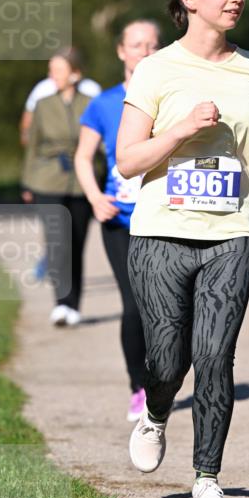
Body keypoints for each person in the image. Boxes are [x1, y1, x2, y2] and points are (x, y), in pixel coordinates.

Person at [117, 0, 249, 498]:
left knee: (215, 356)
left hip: (232, 230)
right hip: (161, 231)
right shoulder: (156, 70)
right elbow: (126, 160)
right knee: (167, 361)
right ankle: (156, 413)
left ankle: (209, 482)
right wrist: (182, 128)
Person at [75, 21, 162, 422]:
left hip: (163, 217)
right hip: (120, 220)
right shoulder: (104, 104)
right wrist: (95, 198)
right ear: (121, 51)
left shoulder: (171, 98)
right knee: (133, 304)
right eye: (136, 44)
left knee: (166, 307)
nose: (144, 50)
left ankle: (164, 376)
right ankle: (138, 387)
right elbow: (83, 157)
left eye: (152, 44)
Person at [22, 47, 93, 326]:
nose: (53, 76)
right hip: (47, 180)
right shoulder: (42, 104)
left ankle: (74, 305)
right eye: (51, 70)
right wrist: (27, 182)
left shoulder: (91, 103)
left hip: (82, 181)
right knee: (57, 243)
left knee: (76, 243)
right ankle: (60, 303)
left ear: (74, 74)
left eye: (58, 70)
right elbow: (33, 147)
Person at [20, 71, 101, 147]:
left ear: (75, 72)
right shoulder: (43, 89)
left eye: (59, 70)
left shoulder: (91, 89)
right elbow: (28, 120)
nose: (52, 74)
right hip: (50, 153)